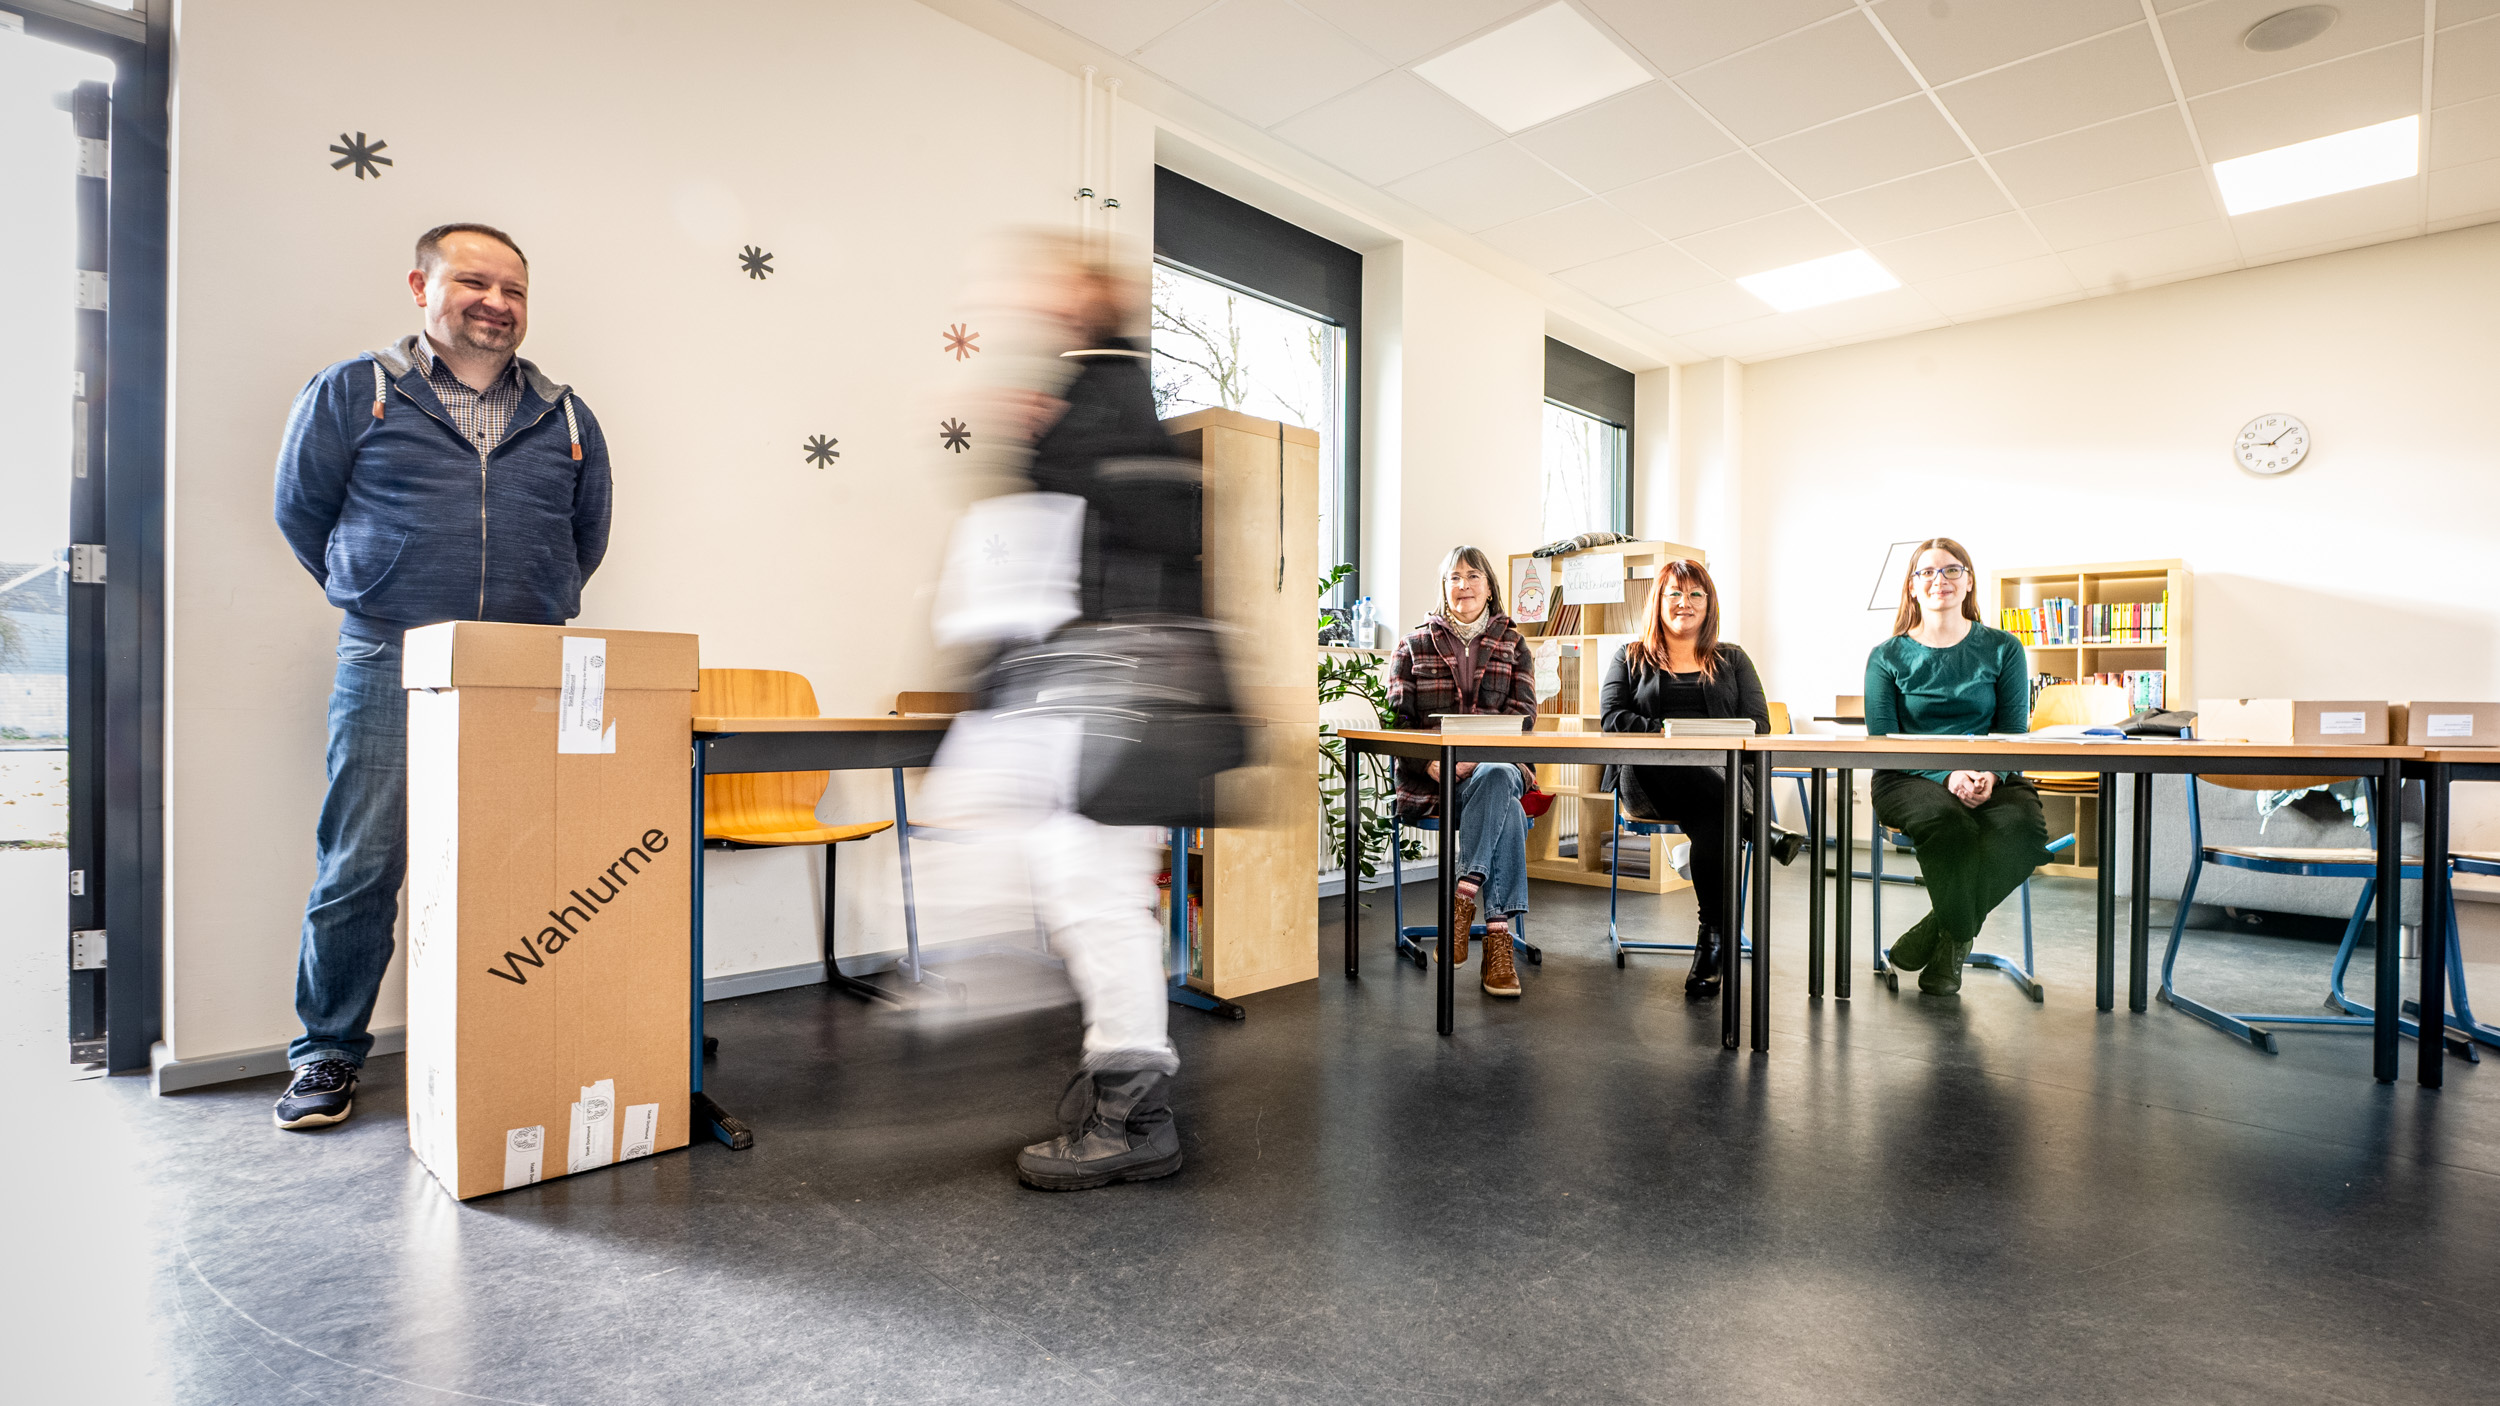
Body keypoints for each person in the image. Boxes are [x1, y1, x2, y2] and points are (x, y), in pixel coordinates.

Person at [270, 224, 611, 1128]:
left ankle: (510, 1032)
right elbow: (301, 512)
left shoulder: (568, 414)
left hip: (526, 668)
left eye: (515, 289)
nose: (497, 303)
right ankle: (326, 1056)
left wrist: (543, 600)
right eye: (474, 282)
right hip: (388, 655)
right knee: (361, 862)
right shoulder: (356, 390)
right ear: (421, 285)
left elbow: (588, 536)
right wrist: (374, 587)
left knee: (523, 863)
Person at [924, 240, 1202, 1191]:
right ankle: (1119, 1090)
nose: (1035, 298)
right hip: (1088, 700)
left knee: (1096, 902)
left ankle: (1135, 1117)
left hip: (1102, 703)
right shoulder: (1105, 401)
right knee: (1084, 897)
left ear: (1095, 299)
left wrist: (1043, 443)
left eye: (1056, 285)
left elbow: (1117, 532)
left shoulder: (1108, 402)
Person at [1598, 558, 1801, 995]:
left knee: (1714, 816)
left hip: (1722, 781)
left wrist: (1706, 743)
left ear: (1709, 604)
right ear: (1659, 601)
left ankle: (1712, 938)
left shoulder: (1733, 658)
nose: (1684, 603)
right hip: (1649, 778)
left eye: (1695, 594)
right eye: (1674, 593)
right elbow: (1612, 718)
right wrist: (1670, 735)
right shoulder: (1630, 656)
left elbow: (1758, 724)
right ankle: (1758, 830)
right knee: (1688, 772)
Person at [1862, 537, 2047, 996]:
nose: (1938, 580)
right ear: (1911, 587)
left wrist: (1990, 773)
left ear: (1968, 582)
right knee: (1950, 823)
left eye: (1950, 570)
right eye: (1926, 572)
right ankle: (1954, 943)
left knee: (2025, 830)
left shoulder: (2004, 648)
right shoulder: (1887, 656)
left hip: (1992, 771)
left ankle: (1938, 932)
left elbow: (2012, 732)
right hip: (1906, 776)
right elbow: (1883, 742)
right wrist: (1947, 776)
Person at [1386, 546, 1537, 998]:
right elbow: (1399, 723)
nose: (1464, 585)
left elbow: (1524, 716)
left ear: (1490, 587)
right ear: (1444, 586)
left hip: (1499, 764)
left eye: (1473, 576)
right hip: (1435, 781)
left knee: (1494, 775)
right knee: (1506, 809)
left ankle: (1463, 892)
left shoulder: (1514, 643)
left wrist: (1477, 753)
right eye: (1455, 577)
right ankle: (1497, 938)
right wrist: (1428, 761)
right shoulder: (1412, 645)